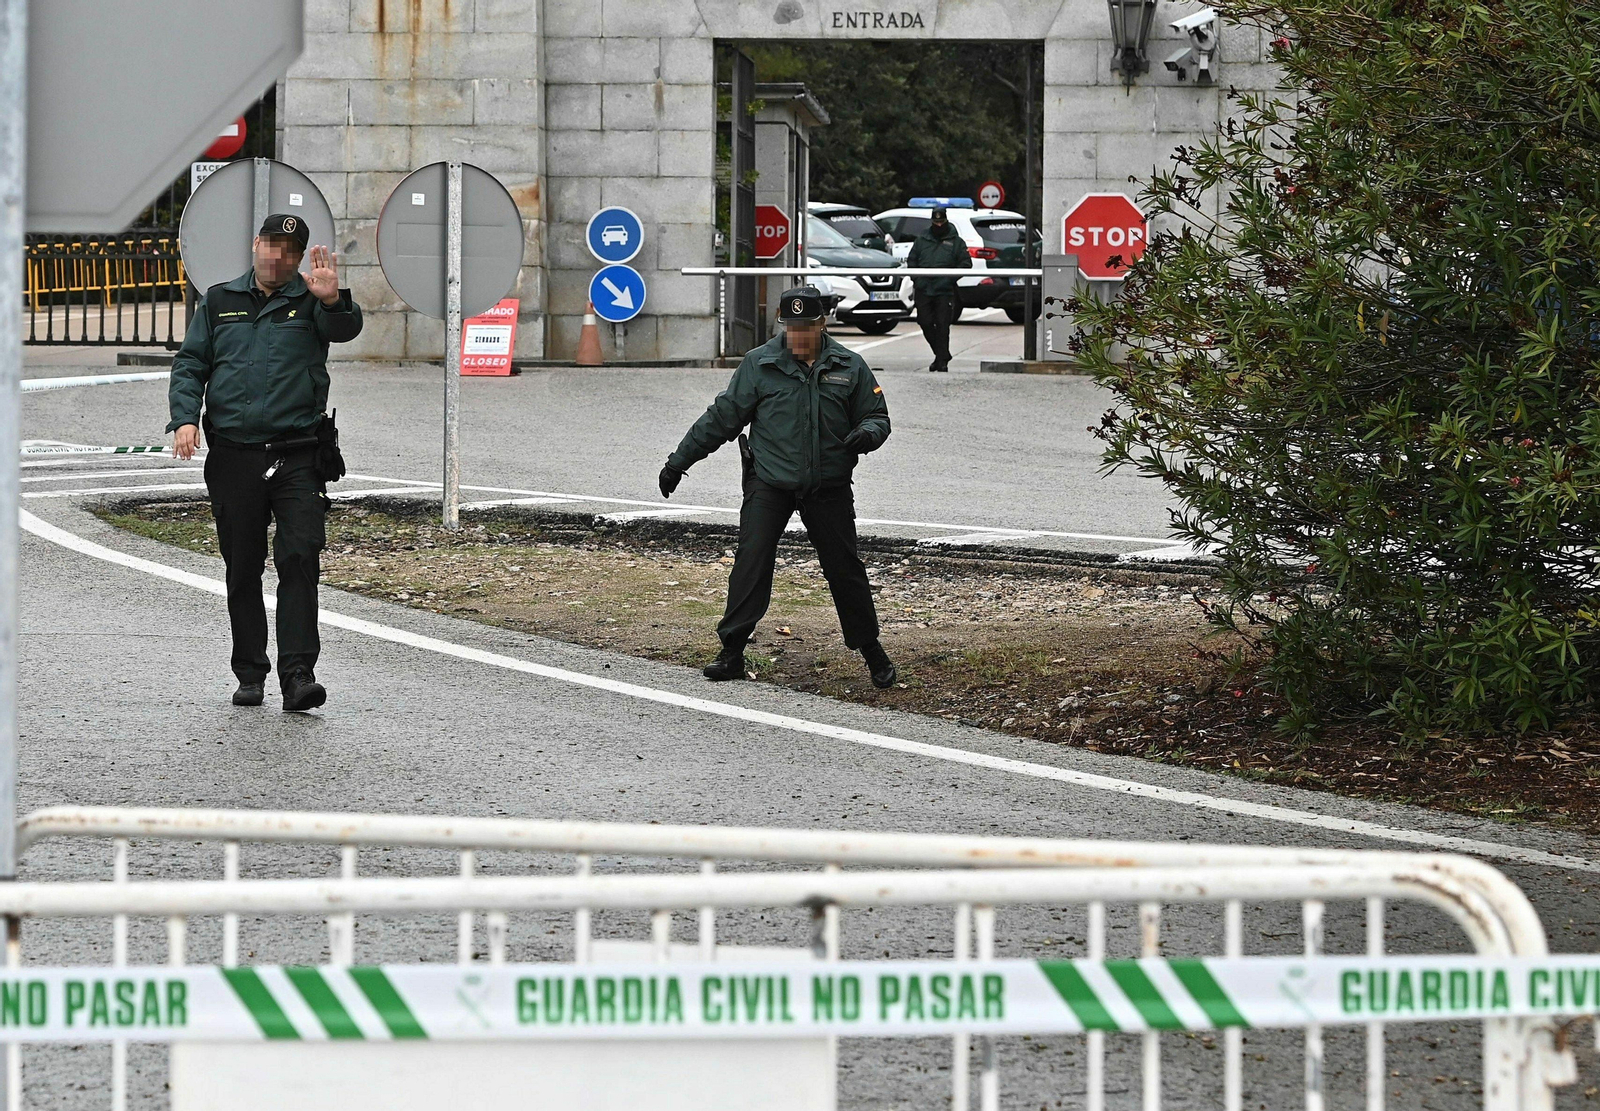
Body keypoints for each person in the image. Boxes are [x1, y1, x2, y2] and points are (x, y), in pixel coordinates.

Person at [166, 214, 362, 712]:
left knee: (299, 559)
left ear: (299, 258)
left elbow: (344, 329)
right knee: (243, 567)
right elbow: (191, 363)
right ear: (256, 244)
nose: (280, 257)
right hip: (234, 456)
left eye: (290, 251)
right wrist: (184, 418)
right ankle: (250, 672)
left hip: (297, 455)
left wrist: (333, 300)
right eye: (272, 245)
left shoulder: (311, 300)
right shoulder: (219, 300)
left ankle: (299, 676)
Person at [658, 285, 898, 689]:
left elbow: (877, 417)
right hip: (770, 481)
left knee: (845, 570)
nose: (798, 336)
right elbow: (722, 418)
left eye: (806, 327)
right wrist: (678, 463)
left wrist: (867, 434)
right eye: (791, 327)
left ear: (823, 324)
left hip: (828, 485)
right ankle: (732, 651)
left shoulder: (850, 365)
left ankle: (871, 650)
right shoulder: (760, 364)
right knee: (751, 562)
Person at [905, 207, 972, 372]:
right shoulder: (922, 240)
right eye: (936, 222)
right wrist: (917, 279)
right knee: (925, 321)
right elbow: (912, 261)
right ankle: (942, 354)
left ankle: (941, 361)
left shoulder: (956, 242)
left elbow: (965, 264)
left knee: (943, 325)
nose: (939, 225)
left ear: (946, 221)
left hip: (944, 291)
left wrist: (948, 280)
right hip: (924, 289)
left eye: (942, 222)